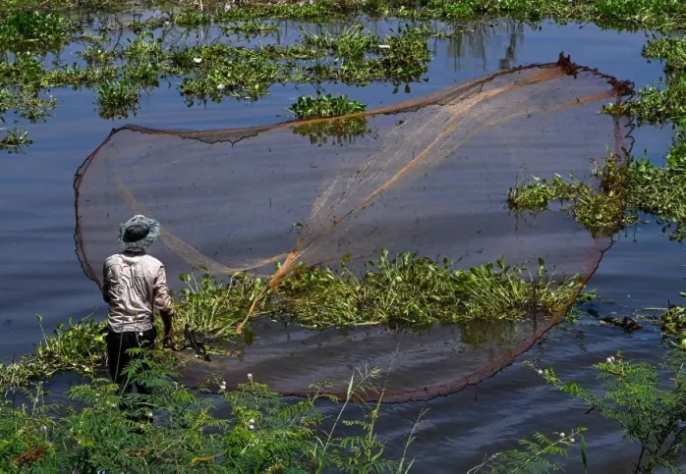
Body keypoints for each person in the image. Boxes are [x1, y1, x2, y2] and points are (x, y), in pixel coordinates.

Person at [102, 215, 175, 396]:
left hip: (116, 332)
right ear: (147, 240)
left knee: (120, 385)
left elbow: (107, 297)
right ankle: (145, 421)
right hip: (142, 333)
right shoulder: (155, 265)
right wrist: (169, 331)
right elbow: (164, 306)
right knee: (144, 384)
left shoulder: (110, 262)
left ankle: (122, 421)